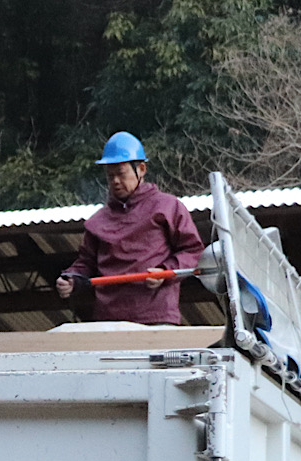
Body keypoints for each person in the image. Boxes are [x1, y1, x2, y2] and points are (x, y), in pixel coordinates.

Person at [54, 132, 204, 326]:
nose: (115, 181)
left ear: (141, 169)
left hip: (156, 318)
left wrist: (165, 272)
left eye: (121, 174)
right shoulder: (97, 221)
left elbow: (193, 250)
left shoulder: (168, 207)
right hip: (108, 322)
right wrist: (71, 279)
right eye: (110, 175)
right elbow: (86, 263)